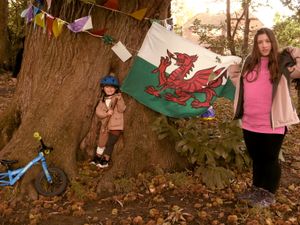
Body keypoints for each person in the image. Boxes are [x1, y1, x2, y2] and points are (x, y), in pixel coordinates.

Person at [228, 27, 300, 207]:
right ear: (256, 45)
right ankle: (257, 189)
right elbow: (242, 83)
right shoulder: (250, 62)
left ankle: (269, 193)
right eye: (260, 42)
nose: (264, 45)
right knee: (257, 158)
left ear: (272, 42)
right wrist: (232, 72)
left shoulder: (282, 63)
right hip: (250, 123)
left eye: (267, 41)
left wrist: (292, 50)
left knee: (269, 159)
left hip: (272, 123)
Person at [91, 75, 126, 168]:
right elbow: (98, 112)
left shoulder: (117, 98)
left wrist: (119, 100)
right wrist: (107, 113)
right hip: (105, 126)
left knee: (110, 143)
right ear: (103, 88)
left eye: (112, 87)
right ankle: (97, 157)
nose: (109, 89)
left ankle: (105, 160)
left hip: (116, 126)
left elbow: (122, 109)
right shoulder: (102, 101)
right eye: (107, 87)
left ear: (116, 89)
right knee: (101, 142)